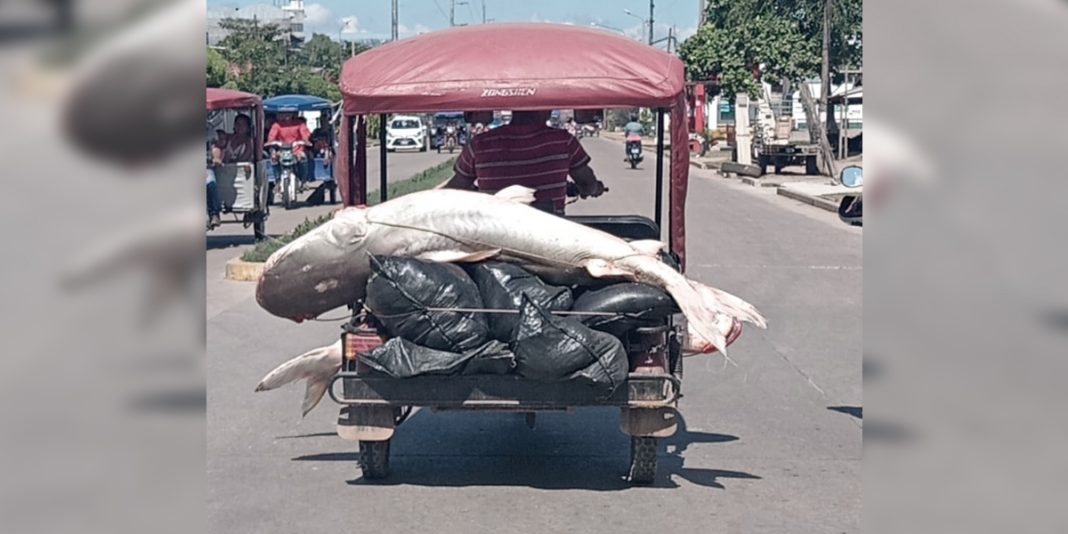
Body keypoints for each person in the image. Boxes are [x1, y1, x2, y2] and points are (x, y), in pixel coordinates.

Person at [440, 109, 606, 214]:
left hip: (494, 237)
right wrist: (593, 188)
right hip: (551, 235)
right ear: (546, 109)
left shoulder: (478, 144)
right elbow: (587, 183)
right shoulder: (564, 141)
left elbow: (455, 189)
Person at [206, 131, 226, 229]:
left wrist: (216, 157)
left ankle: (215, 213)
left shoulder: (208, 129)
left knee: (211, 183)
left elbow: (215, 147)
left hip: (206, 165)